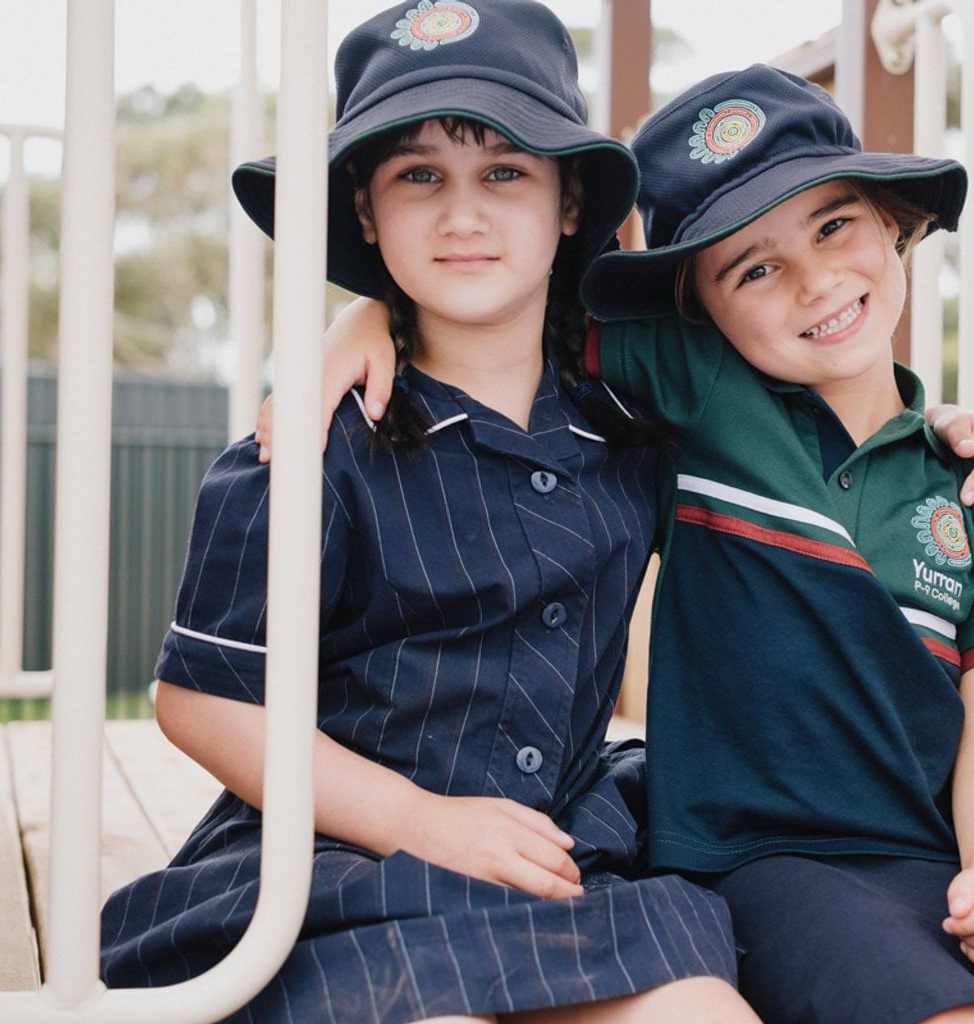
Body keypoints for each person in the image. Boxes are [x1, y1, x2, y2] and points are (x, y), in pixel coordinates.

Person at [297, 64, 974, 1024]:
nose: (817, 280)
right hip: (766, 865)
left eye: (835, 225)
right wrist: (363, 316)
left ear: (895, 223)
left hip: (947, 857)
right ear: (696, 306)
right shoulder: (697, 391)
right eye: (755, 268)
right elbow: (500, 294)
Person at [99, 4, 764, 1021]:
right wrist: (421, 820)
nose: (463, 215)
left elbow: (811, 412)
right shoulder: (311, 449)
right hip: (343, 861)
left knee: (700, 1010)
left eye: (505, 173)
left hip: (556, 851)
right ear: (365, 211)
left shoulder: (633, 427)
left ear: (569, 201)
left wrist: (946, 431)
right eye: (419, 176)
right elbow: (202, 696)